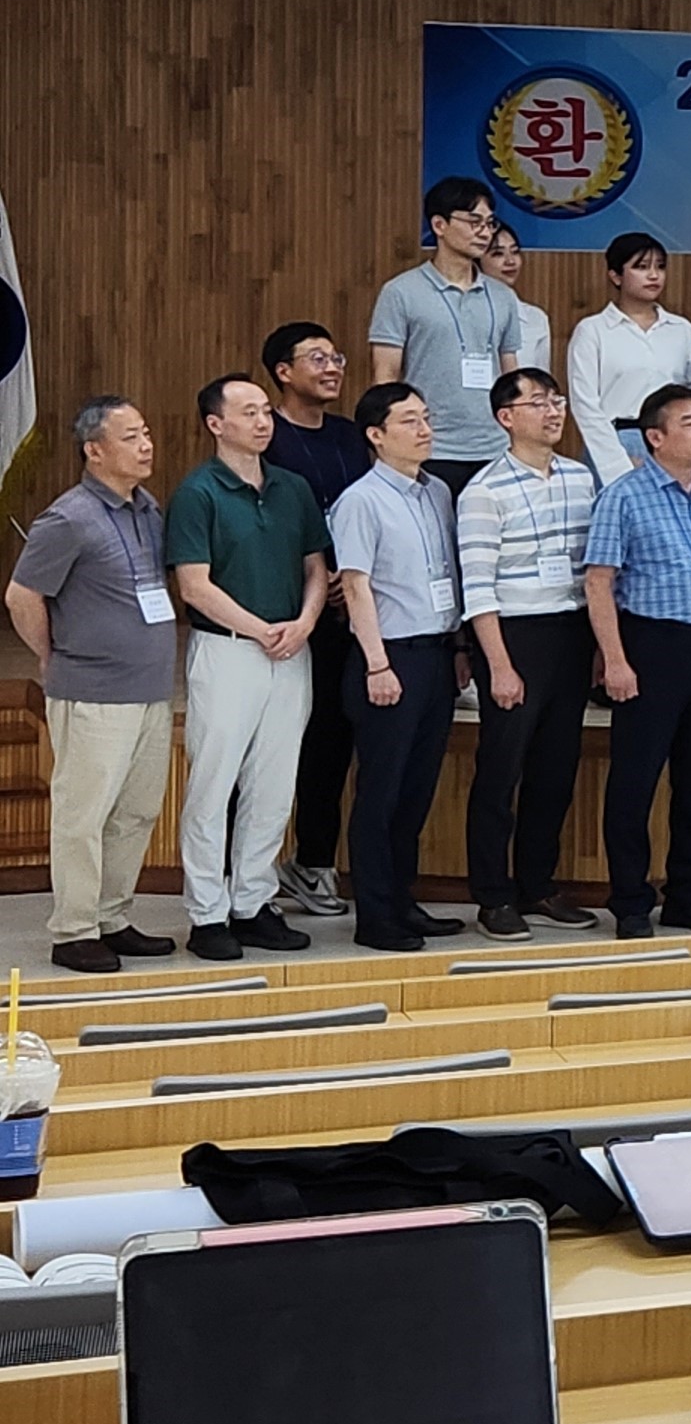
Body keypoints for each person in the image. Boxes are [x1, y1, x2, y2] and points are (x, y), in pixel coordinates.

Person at [4, 397, 179, 972]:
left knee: (136, 812)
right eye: (130, 437)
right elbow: (22, 596)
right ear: (94, 451)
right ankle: (74, 929)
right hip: (91, 691)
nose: (146, 445)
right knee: (84, 814)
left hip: (149, 688)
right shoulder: (69, 518)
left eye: (146, 432)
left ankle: (112, 916)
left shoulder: (148, 509)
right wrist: (51, 656)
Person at [164, 374, 328, 961]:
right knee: (213, 784)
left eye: (265, 411)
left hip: (292, 648)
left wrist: (304, 622)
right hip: (229, 650)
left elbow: (317, 566)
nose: (263, 422)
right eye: (249, 412)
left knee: (275, 784)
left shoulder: (291, 487)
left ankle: (253, 902)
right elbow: (193, 585)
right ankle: (207, 912)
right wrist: (261, 629)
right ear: (216, 424)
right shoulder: (198, 492)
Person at [583, 383, 691, 938]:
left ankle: (689, 897)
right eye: (688, 423)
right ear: (655, 437)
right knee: (636, 779)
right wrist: (615, 660)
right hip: (651, 646)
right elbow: (599, 582)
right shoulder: (624, 497)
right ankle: (630, 901)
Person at [457, 368, 597, 938]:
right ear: (506, 417)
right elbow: (477, 587)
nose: (553, 411)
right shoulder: (484, 490)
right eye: (538, 402)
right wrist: (498, 665)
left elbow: (592, 570)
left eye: (556, 400)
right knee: (501, 769)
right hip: (514, 635)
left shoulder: (580, 477)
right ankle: (493, 895)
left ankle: (538, 885)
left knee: (555, 767)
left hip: (571, 631)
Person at [330, 382, 465, 952]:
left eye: (426, 417)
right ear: (376, 435)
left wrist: (459, 649)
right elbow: (356, 586)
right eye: (410, 421)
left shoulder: (438, 492)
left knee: (416, 790)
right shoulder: (361, 500)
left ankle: (402, 899)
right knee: (380, 792)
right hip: (389, 657)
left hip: (436, 654)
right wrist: (377, 664)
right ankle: (375, 914)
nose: (424, 429)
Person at [259, 321, 367, 920]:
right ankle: (242, 874)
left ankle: (314, 863)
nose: (332, 368)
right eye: (317, 359)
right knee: (272, 742)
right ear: (283, 371)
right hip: (284, 607)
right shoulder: (266, 435)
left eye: (336, 357)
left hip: (347, 604)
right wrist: (317, 575)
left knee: (332, 737)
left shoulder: (350, 436)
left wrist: (349, 576)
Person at [368, 175, 521, 494]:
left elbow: (511, 376)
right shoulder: (401, 292)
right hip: (430, 446)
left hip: (495, 446)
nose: (484, 232)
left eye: (489, 223)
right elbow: (386, 376)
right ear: (439, 225)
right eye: (474, 221)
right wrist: (391, 447)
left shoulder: (503, 296)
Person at [567, 231, 691, 487]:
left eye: (660, 266)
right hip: (615, 442)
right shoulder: (593, 330)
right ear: (616, 276)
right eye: (641, 267)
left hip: (672, 442)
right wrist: (618, 465)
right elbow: (585, 406)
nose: (654, 275)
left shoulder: (682, 330)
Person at [481, 222, 552, 375]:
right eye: (498, 254)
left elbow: (540, 380)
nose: (510, 261)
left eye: (515, 252)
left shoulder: (536, 318)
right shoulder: (462, 313)